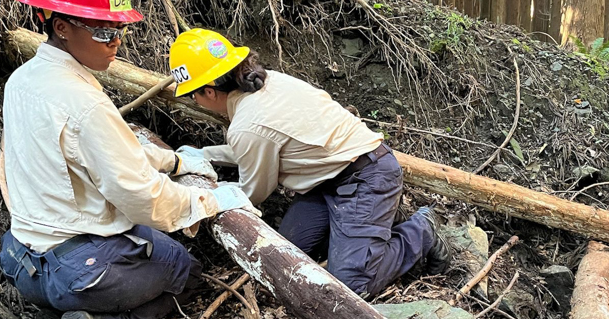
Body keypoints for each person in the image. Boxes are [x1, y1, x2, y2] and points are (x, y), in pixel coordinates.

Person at [0, 0, 255, 319]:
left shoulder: (24, 81)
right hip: (78, 271)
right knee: (185, 270)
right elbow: (141, 197)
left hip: (22, 259)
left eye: (118, 29)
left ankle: (59, 309)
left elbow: (113, 147)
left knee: (149, 240)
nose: (116, 42)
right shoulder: (84, 102)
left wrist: (174, 161)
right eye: (103, 32)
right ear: (60, 27)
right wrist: (208, 200)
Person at [167, 28, 449, 297]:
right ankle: (367, 230)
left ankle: (421, 230)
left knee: (352, 284)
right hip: (327, 180)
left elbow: (253, 193)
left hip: (365, 176)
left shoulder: (246, 125)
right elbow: (262, 145)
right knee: (292, 252)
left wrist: (210, 199)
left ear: (209, 91)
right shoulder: (268, 83)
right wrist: (205, 154)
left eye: (193, 94)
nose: (195, 101)